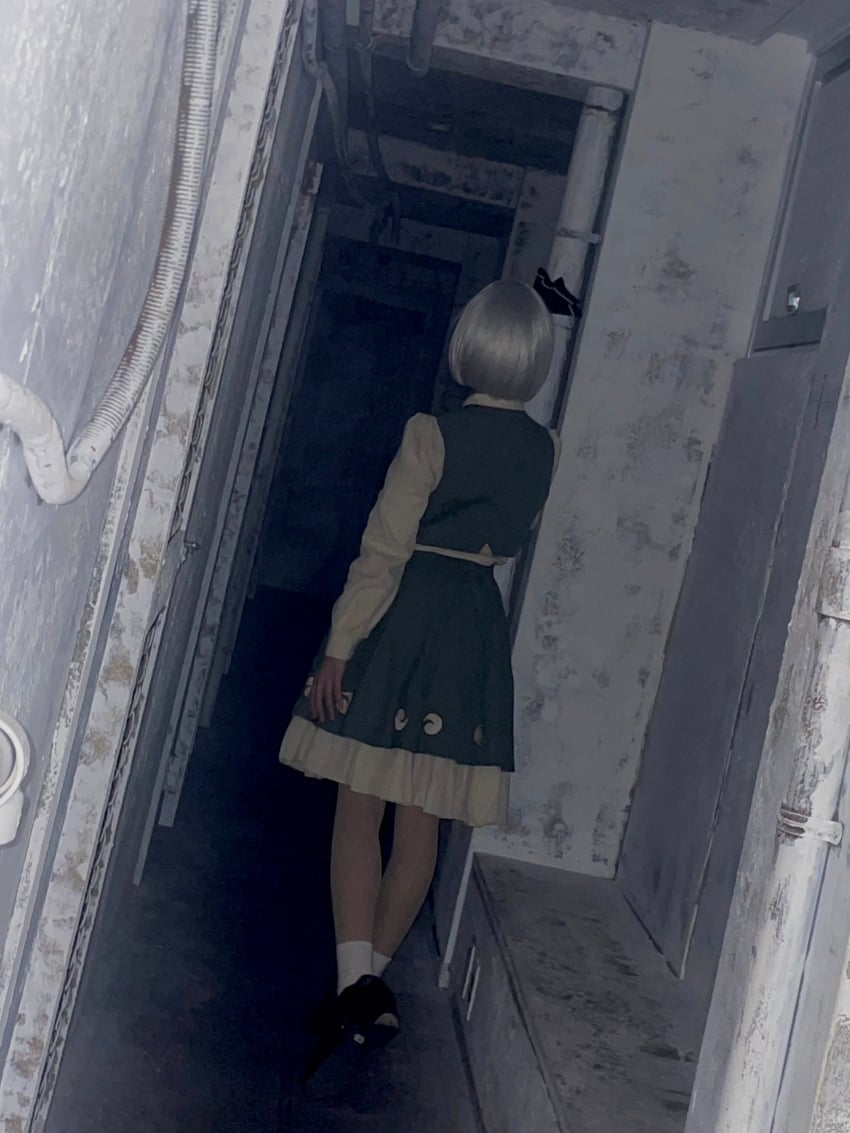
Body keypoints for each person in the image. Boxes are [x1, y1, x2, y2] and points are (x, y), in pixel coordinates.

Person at [278, 278, 560, 1079]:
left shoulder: (431, 433)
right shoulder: (545, 447)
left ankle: (354, 985)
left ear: (469, 343)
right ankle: (369, 989)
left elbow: (383, 549)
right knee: (421, 822)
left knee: (358, 806)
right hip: (472, 628)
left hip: (405, 619)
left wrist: (341, 644)